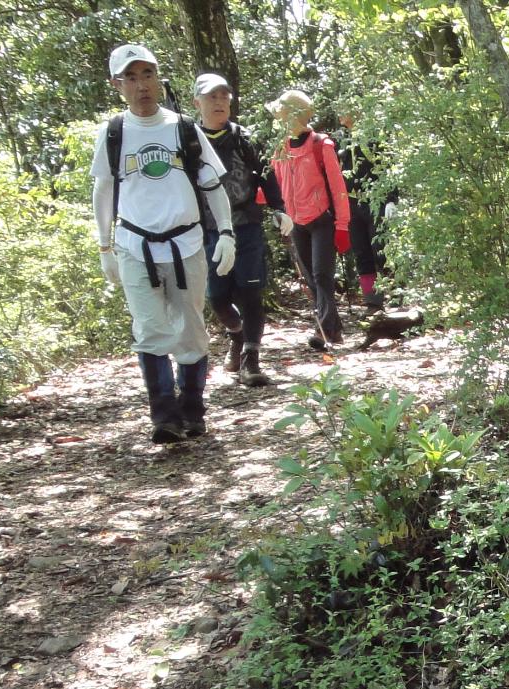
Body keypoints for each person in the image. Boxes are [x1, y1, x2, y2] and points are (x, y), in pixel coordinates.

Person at [91, 43, 235, 442]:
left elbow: (212, 184)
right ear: (117, 84)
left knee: (190, 332)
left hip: (186, 242)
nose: (142, 86)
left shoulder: (183, 128)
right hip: (134, 245)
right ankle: (164, 417)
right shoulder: (113, 132)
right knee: (151, 330)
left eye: (148, 75)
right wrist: (104, 247)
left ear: (159, 78)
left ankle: (192, 409)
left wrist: (226, 233)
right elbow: (103, 190)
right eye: (132, 77)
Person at [192, 71, 289, 387]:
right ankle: (236, 333)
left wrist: (279, 209)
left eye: (223, 97)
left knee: (250, 291)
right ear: (198, 102)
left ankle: (251, 360)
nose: (219, 103)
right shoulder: (189, 141)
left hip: (246, 225)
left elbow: (265, 175)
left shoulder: (244, 138)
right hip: (207, 230)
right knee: (217, 297)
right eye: (212, 97)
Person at [266, 89, 351, 350]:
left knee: (322, 275)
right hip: (295, 222)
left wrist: (342, 226)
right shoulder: (280, 148)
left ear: (291, 114)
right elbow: (274, 185)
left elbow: (338, 187)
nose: (278, 117)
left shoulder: (320, 145)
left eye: (281, 112)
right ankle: (333, 330)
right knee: (312, 279)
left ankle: (324, 329)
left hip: (322, 220)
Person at [334, 109, 385, 308]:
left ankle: (397, 299)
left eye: (344, 108)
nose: (340, 113)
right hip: (351, 204)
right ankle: (373, 303)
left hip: (375, 201)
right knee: (361, 252)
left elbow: (385, 166)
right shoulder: (342, 140)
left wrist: (390, 199)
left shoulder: (372, 136)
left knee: (381, 251)